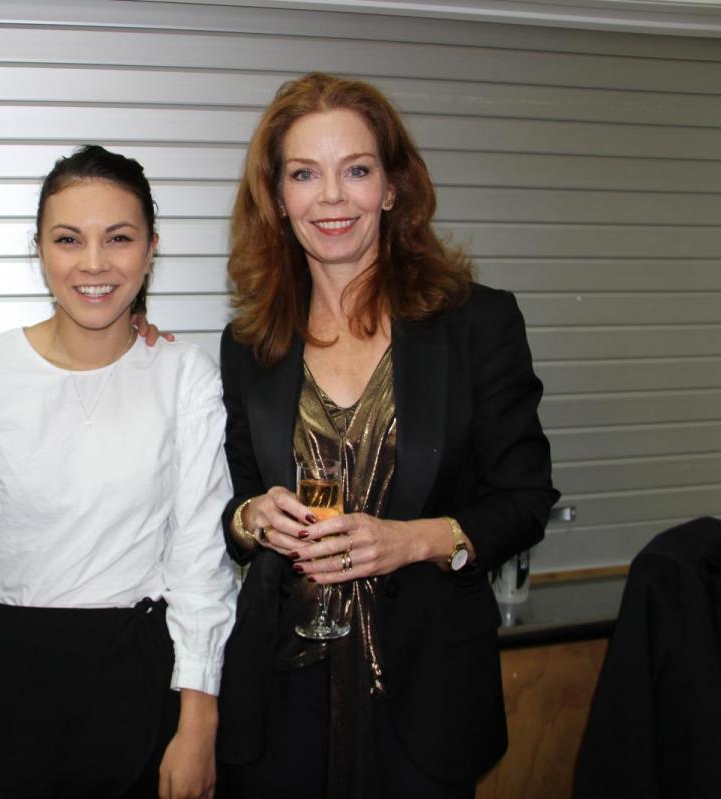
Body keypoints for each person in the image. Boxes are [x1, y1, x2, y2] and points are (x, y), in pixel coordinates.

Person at [215, 73, 559, 798]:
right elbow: (236, 503)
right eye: (304, 174)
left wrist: (415, 540)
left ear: (393, 187)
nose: (331, 198)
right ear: (277, 197)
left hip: (425, 693)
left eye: (357, 170)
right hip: (280, 692)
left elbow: (526, 499)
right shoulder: (250, 343)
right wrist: (252, 518)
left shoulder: (477, 323)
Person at [0, 144, 237, 799]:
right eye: (68, 239)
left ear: (151, 249)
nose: (94, 263)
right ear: (39, 249)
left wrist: (199, 723)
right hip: (23, 676)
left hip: (145, 672)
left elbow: (199, 560)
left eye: (119, 238)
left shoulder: (184, 376)